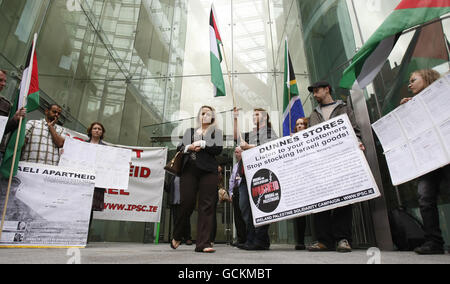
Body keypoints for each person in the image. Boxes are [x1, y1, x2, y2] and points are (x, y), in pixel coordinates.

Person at [306, 81, 364, 253]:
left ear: (327, 89)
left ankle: (342, 239)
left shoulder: (344, 109)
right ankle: (323, 240)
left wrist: (358, 143)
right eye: (313, 92)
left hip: (341, 161)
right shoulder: (313, 114)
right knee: (320, 200)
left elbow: (355, 131)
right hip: (320, 164)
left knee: (343, 199)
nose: (315, 94)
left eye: (317, 91)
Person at [400, 69, 448, 255]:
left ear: (427, 78)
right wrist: (406, 112)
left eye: (413, 80)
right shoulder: (411, 105)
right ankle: (434, 242)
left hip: (446, 152)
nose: (410, 84)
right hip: (428, 157)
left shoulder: (444, 94)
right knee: (425, 197)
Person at [171, 105, 223, 253]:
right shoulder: (190, 132)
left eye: (208, 113)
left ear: (212, 117)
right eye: (202, 113)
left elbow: (218, 148)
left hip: (208, 171)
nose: (205, 115)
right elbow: (179, 148)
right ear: (199, 116)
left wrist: (203, 143)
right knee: (187, 203)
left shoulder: (216, 132)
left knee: (206, 206)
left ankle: (203, 243)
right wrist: (190, 147)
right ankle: (177, 234)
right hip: (189, 171)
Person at [234, 107, 278, 250]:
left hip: (262, 176)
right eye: (253, 115)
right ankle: (253, 238)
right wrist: (235, 118)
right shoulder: (250, 133)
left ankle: (259, 239)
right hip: (246, 175)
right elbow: (237, 136)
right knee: (244, 207)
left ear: (265, 117)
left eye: (257, 114)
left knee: (261, 207)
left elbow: (271, 147)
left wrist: (249, 147)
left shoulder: (270, 132)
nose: (254, 117)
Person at [0, 69, 27, 160]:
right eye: (0, 80)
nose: (3, 84)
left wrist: (15, 118)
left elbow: (4, 129)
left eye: (4, 81)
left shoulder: (5, 105)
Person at [292, 117, 308, 250]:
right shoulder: (291, 141)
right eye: (297, 124)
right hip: (298, 179)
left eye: (302, 124)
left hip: (313, 176)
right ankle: (300, 240)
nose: (300, 126)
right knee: (300, 212)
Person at [164, 174, 193, 245]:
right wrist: (163, 183)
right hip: (174, 202)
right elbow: (168, 189)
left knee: (186, 220)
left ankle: (188, 238)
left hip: (183, 202)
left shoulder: (187, 176)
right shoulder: (173, 177)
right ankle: (177, 238)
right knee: (176, 221)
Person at [228, 146, 247, 247]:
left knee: (244, 214)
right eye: (235, 152)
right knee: (237, 216)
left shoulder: (246, 163)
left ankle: (246, 238)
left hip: (243, 189)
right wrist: (230, 193)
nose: (237, 154)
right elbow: (232, 180)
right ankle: (240, 239)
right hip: (236, 191)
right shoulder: (236, 166)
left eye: (238, 152)